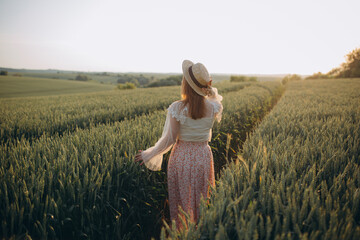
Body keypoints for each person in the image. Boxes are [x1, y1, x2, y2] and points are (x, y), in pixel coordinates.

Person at [134, 60, 223, 230]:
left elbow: (170, 139)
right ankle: (201, 231)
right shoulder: (214, 107)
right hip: (203, 155)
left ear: (186, 85)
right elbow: (212, 97)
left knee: (182, 201)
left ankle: (183, 232)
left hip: (182, 157)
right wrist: (206, 89)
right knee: (202, 198)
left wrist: (149, 154)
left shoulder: (178, 107)